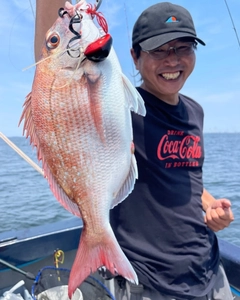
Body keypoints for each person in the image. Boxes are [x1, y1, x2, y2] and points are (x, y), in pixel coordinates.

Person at [35, 1, 234, 299]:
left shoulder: (195, 111)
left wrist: (209, 205)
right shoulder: (122, 107)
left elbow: (188, 175)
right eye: (159, 50)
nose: (173, 60)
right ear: (135, 57)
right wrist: (58, 14)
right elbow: (51, 65)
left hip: (209, 269)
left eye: (184, 47)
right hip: (149, 280)